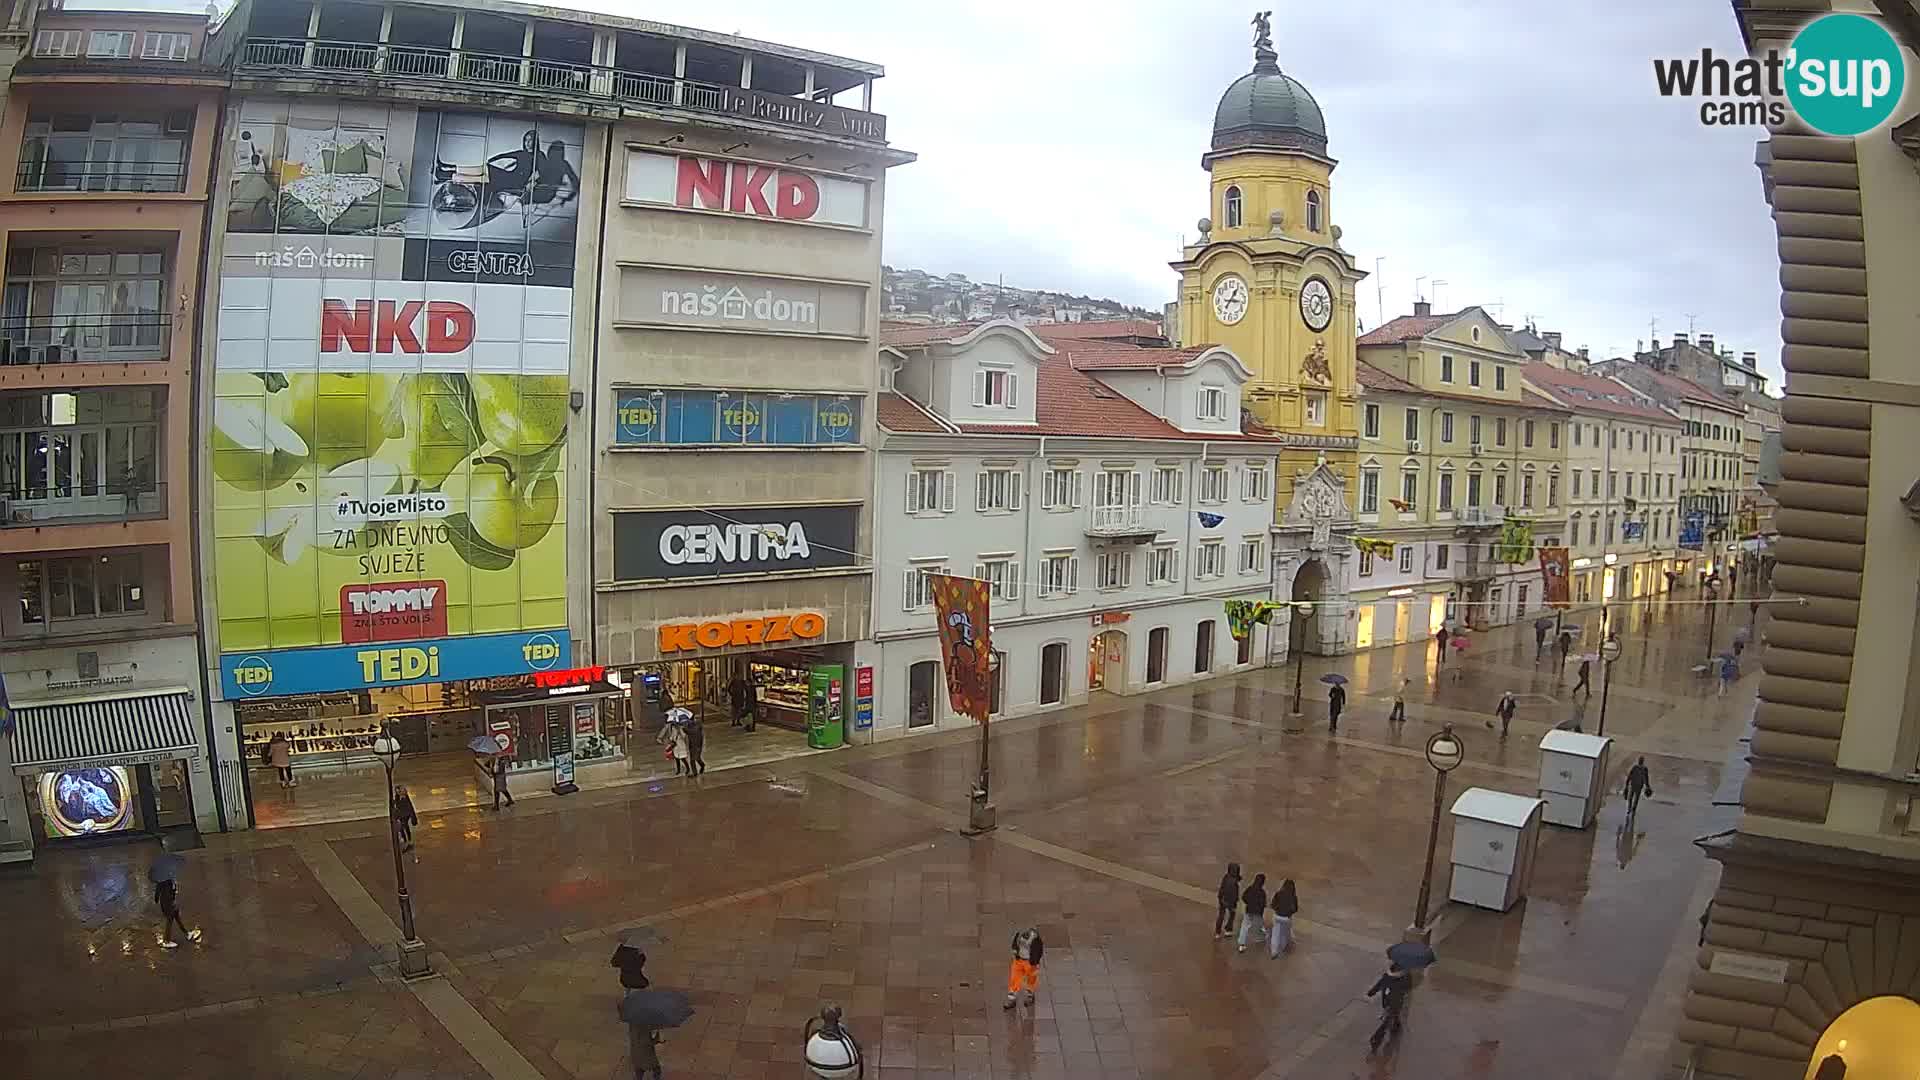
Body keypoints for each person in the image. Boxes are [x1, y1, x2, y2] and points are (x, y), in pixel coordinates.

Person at [1366, 962, 1412, 1055]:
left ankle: (1393, 1027)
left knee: (1389, 1019)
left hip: (1387, 1002)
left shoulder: (1387, 975)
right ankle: (1376, 1039)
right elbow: (1408, 987)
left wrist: (1371, 992)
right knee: (1387, 1021)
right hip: (1395, 1004)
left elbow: (1379, 984)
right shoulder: (1405, 977)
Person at [154, 876, 199, 948]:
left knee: (177, 917)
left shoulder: (170, 879)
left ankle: (187, 933)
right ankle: (167, 941)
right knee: (170, 920)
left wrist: (174, 891)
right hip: (168, 904)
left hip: (171, 903)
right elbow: (159, 893)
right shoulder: (164, 881)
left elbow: (158, 894)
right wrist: (172, 892)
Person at [1005, 926, 1043, 1009]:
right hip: (1018, 961)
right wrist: (1015, 951)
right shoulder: (1020, 935)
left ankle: (1030, 996)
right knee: (1014, 979)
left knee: (1031, 980)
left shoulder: (1035, 939)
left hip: (1030, 963)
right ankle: (1012, 999)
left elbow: (1038, 950)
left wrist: (1035, 962)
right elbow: (1015, 944)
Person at [1236, 873, 1268, 953]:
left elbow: (1244, 897)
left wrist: (1249, 903)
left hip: (1249, 910)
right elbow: (1263, 904)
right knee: (1259, 925)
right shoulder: (1262, 892)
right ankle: (1260, 938)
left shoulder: (1250, 888)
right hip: (1258, 913)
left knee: (1244, 926)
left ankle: (1241, 943)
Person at [1267, 878, 1299, 959]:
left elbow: (1273, 904)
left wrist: (1277, 910)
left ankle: (1274, 951)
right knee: (1285, 933)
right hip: (1287, 918)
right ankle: (1283, 946)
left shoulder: (1278, 893)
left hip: (1277, 916)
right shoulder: (1293, 896)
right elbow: (1295, 909)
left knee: (1275, 933)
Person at [1213, 862, 1242, 939]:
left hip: (1222, 899)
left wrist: (1220, 897)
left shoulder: (1226, 877)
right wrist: (1235, 902)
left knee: (1221, 915)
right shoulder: (1234, 882)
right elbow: (1234, 894)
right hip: (1230, 901)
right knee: (1232, 915)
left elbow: (1221, 889)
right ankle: (1228, 930)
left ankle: (1217, 932)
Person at [392, 784, 418, 859]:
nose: (396, 792)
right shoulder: (398, 797)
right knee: (404, 828)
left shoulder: (405, 798)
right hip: (401, 816)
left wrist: (413, 818)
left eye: (397, 791)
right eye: (396, 791)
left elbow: (409, 808)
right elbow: (398, 805)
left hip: (405, 816)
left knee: (404, 828)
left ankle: (407, 842)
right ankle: (407, 841)